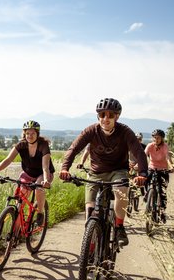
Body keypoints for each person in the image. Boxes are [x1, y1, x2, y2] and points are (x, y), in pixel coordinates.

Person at [59, 98, 148, 246]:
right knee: (90, 209)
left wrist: (143, 173)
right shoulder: (91, 131)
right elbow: (73, 149)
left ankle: (119, 227)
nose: (106, 118)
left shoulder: (125, 132)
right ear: (98, 116)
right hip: (95, 172)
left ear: (117, 117)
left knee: (121, 189)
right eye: (102, 115)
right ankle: (90, 240)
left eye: (110, 115)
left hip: (117, 170)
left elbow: (139, 152)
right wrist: (64, 168)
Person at [0, 120, 55, 226]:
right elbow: (8, 160)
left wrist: (46, 180)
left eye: (32, 133)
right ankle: (15, 235)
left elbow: (45, 167)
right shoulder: (21, 145)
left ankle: (40, 213)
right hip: (28, 174)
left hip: (42, 174)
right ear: (24, 134)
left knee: (38, 188)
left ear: (37, 134)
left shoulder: (43, 146)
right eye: (27, 133)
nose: (30, 136)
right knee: (19, 204)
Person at [144, 129, 174, 223]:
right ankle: (148, 193)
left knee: (162, 192)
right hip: (152, 168)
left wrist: (171, 166)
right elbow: (143, 155)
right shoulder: (150, 145)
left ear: (162, 139)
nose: (156, 139)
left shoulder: (165, 146)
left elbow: (167, 157)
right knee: (145, 180)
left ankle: (162, 212)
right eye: (154, 137)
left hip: (163, 170)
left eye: (158, 138)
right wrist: (138, 164)